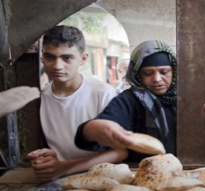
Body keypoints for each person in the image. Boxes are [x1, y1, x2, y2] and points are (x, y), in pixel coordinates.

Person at [27, 25, 123, 181]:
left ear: (83, 59)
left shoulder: (104, 94)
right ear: (42, 58)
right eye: (50, 57)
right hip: (57, 181)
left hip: (102, 179)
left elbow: (119, 152)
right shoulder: (40, 97)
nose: (57, 66)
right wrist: (49, 156)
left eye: (67, 58)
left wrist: (64, 167)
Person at [74, 40, 177, 162]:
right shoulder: (129, 100)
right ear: (137, 74)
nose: (157, 79)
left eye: (164, 72)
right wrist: (92, 129)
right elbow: (91, 134)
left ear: (174, 71)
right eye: (148, 73)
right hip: (140, 174)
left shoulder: (187, 99)